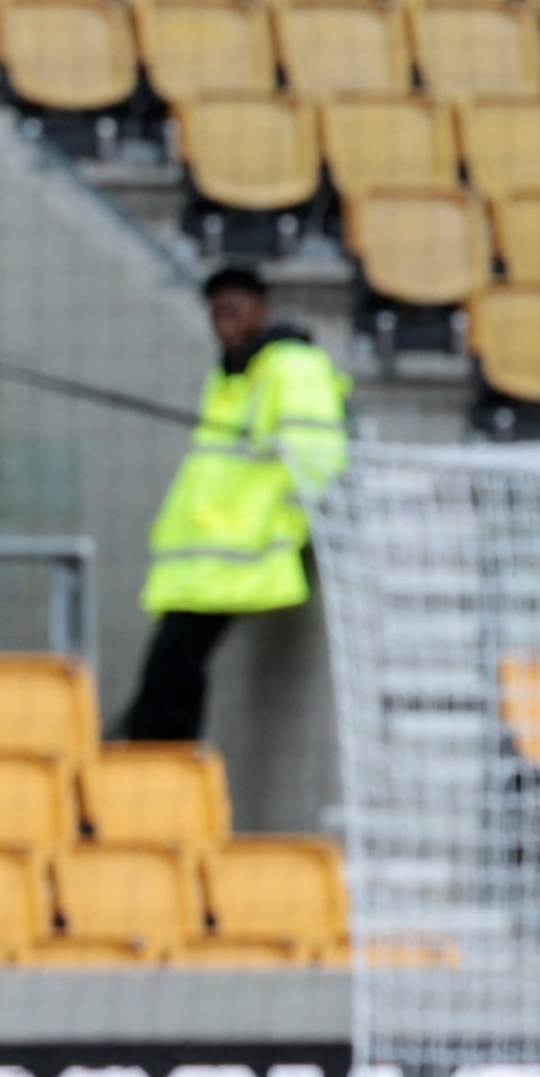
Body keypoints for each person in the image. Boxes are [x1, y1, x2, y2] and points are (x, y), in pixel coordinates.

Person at [118, 264, 349, 745]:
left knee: (174, 662)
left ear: (260, 310)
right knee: (175, 664)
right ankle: (151, 743)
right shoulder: (232, 374)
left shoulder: (290, 367)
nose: (224, 325)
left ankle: (153, 750)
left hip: (244, 549)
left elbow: (318, 458)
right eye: (216, 315)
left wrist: (284, 527)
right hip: (210, 550)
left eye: (234, 312)